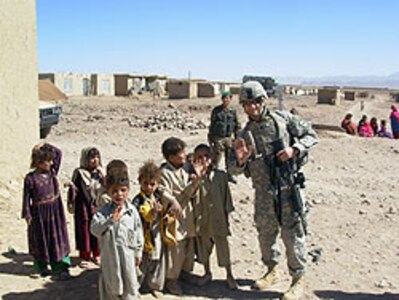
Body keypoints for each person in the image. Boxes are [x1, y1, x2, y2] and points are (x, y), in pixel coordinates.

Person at [228, 81, 318, 300]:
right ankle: (272, 270)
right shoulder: (244, 134)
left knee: (292, 234)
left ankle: (298, 280)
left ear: (263, 101)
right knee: (266, 234)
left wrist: (293, 149)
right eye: (247, 103)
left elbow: (311, 135)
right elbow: (232, 168)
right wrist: (240, 161)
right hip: (263, 192)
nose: (252, 107)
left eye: (256, 102)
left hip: (287, 188)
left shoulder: (283, 120)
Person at [90, 160, 143, 300]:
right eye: (114, 191)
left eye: (123, 190)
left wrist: (138, 252)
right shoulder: (104, 211)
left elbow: (138, 232)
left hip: (128, 256)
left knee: (130, 283)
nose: (119, 194)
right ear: (108, 191)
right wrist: (109, 221)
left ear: (128, 190)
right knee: (112, 286)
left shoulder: (132, 211)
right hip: (110, 257)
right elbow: (94, 229)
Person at [158, 137, 201, 295]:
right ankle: (171, 280)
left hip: (188, 213)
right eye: (181, 153)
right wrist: (173, 200)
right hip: (174, 216)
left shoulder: (187, 168)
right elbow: (162, 191)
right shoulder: (164, 172)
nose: (184, 155)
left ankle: (185, 273)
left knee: (189, 246)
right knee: (176, 249)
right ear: (171, 158)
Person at [22, 143, 71, 280]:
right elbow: (26, 198)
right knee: (40, 240)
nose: (51, 163)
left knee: (57, 239)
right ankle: (41, 267)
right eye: (47, 161)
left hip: (55, 212)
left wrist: (44, 144)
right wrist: (27, 214)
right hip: (38, 214)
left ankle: (61, 268)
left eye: (50, 160)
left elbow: (59, 153)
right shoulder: (30, 178)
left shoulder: (52, 173)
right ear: (38, 162)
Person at [192, 144, 237, 290]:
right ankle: (207, 272)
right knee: (204, 248)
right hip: (202, 218)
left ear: (211, 158)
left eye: (206, 156)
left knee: (223, 248)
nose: (203, 160)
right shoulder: (193, 177)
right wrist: (197, 177)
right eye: (199, 157)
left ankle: (229, 275)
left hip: (218, 219)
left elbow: (226, 198)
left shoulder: (221, 176)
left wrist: (227, 215)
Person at [66, 147, 104, 268]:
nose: (95, 160)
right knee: (84, 231)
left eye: (97, 157)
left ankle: (97, 254)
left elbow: (107, 187)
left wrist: (103, 177)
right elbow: (75, 189)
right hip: (83, 207)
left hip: (97, 205)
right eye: (92, 158)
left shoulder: (100, 173)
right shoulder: (79, 173)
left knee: (97, 228)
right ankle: (85, 256)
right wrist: (71, 187)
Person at [132, 160, 165, 297]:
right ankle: (135, 287)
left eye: (153, 184)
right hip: (143, 235)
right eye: (146, 183)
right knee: (142, 263)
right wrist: (153, 212)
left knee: (156, 261)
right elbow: (144, 215)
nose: (149, 187)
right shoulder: (137, 200)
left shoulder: (157, 197)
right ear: (140, 181)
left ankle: (154, 286)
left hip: (156, 234)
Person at [208, 91, 241, 181]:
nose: (226, 100)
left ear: (230, 99)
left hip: (229, 138)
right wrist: (210, 138)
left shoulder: (233, 111)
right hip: (218, 138)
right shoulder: (217, 110)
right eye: (224, 98)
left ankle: (230, 174)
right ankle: (214, 174)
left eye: (228, 98)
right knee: (216, 157)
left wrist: (238, 137)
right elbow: (212, 124)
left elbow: (237, 125)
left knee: (230, 157)